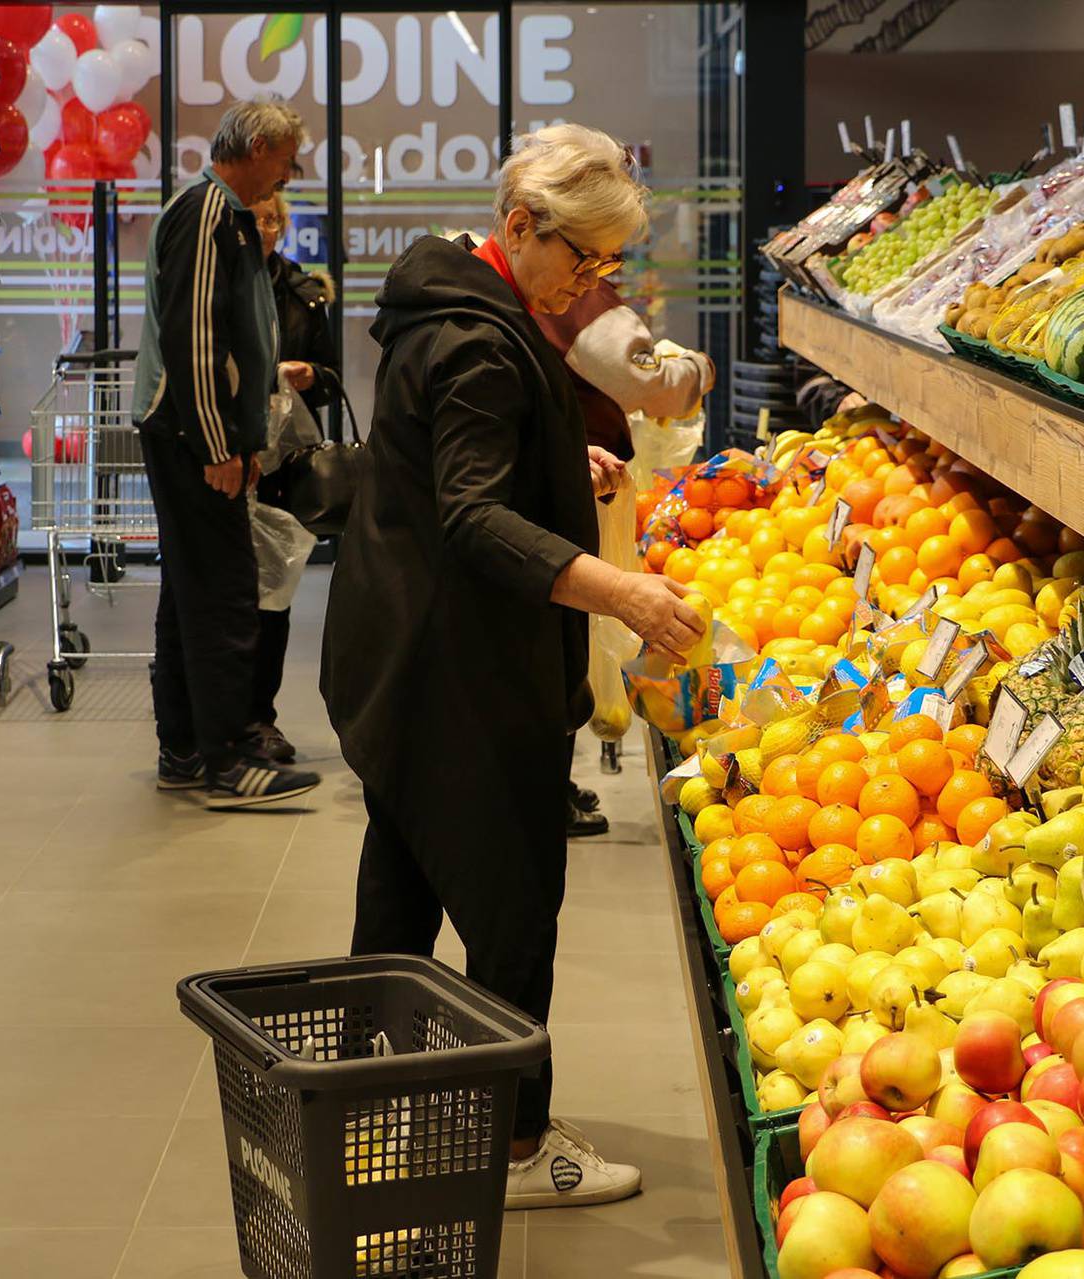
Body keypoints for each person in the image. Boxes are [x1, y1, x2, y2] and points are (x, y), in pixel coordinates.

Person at [323, 123, 702, 1209]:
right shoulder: (485, 338)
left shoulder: (459, 303)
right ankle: (517, 1143)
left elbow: (461, 451)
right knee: (515, 905)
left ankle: (360, 1097)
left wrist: (556, 454)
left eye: (604, 266)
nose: (590, 287)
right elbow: (476, 520)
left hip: (399, 648)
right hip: (460, 668)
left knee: (399, 880)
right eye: (580, 260)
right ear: (521, 227)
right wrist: (622, 591)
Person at [132, 98, 320, 809]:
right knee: (224, 594)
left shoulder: (218, 214)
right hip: (190, 436)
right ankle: (229, 758)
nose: (288, 175)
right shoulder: (209, 212)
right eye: (286, 160)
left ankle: (183, 749)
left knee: (191, 594)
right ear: (259, 146)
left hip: (190, 433)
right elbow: (194, 338)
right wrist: (218, 443)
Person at [536, 274, 715, 837]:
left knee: (561, 638)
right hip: (560, 502)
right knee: (560, 637)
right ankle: (540, 792)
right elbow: (655, 386)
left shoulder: (545, 292)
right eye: (594, 251)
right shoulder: (574, 299)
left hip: (573, 480)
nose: (600, 268)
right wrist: (699, 371)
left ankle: (545, 784)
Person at [246, 191, 339, 765]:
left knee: (271, 597)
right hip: (224, 459)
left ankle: (260, 717)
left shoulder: (302, 293)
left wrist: (312, 375)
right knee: (225, 597)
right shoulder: (220, 285)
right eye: (254, 219)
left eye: (271, 219)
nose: (264, 229)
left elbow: (331, 380)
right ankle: (216, 719)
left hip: (281, 466)